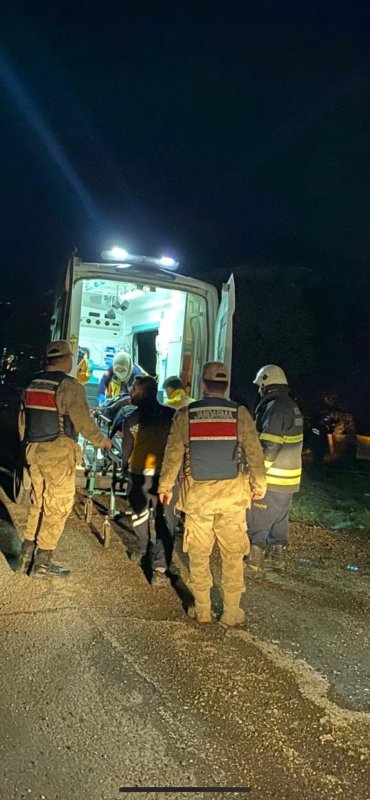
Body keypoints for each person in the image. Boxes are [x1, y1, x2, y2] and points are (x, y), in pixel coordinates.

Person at [158, 362, 266, 626]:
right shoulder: (240, 414)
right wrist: (259, 485)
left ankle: (203, 609)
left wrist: (164, 487)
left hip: (198, 499)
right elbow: (254, 453)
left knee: (198, 553)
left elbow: (172, 455)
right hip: (232, 498)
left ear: (203, 385)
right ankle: (231, 612)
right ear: (225, 385)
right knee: (232, 555)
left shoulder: (186, 414)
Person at [16, 340, 112, 578]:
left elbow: (22, 421)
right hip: (57, 453)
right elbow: (82, 422)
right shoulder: (69, 385)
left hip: (33, 450)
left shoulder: (33, 383)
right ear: (67, 359)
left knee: (39, 502)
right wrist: (102, 441)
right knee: (57, 507)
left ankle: (25, 556)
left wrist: (27, 447)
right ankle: (42, 563)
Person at [247, 365, 304, 573]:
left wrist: (257, 475)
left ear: (265, 384)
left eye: (260, 386)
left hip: (273, 477)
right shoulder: (290, 405)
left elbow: (269, 446)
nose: (258, 390)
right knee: (280, 518)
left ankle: (254, 560)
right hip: (290, 478)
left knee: (258, 516)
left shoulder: (275, 407)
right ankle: (277, 557)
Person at [121, 375, 176, 585]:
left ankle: (144, 549)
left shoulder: (131, 419)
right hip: (167, 476)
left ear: (142, 392)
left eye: (134, 389)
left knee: (140, 514)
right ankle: (160, 568)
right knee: (166, 519)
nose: (131, 392)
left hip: (140, 473)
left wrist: (124, 467)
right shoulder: (172, 415)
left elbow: (126, 451)